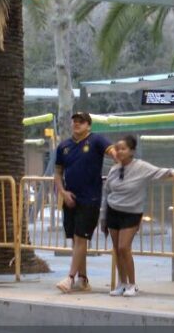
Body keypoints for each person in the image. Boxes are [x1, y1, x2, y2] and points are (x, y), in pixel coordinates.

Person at [99, 135, 174, 297]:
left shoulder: (141, 167)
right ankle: (121, 283)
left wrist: (172, 172)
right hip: (113, 210)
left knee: (124, 247)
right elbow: (107, 191)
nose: (120, 152)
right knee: (117, 249)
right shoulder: (114, 169)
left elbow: (158, 172)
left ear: (132, 151)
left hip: (131, 212)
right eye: (118, 149)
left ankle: (132, 283)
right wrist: (103, 217)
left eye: (123, 149)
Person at [54, 112, 117, 293]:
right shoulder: (64, 146)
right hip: (70, 199)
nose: (77, 124)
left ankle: (70, 278)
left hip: (90, 198)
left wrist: (118, 158)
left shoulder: (96, 140)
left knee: (81, 238)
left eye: (81, 122)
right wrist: (63, 192)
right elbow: (58, 173)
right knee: (76, 240)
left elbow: (112, 151)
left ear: (88, 125)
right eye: (75, 121)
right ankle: (83, 278)